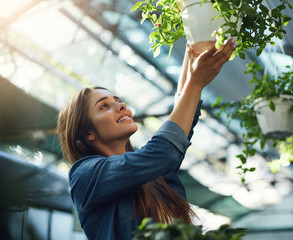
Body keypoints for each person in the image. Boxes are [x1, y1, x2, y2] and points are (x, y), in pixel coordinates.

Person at [57, 39, 235, 240]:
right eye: (104, 106)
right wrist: (195, 82)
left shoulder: (154, 175)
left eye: (117, 100)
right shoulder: (85, 176)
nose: (121, 105)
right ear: (88, 133)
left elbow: (181, 124)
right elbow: (165, 151)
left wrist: (192, 48)